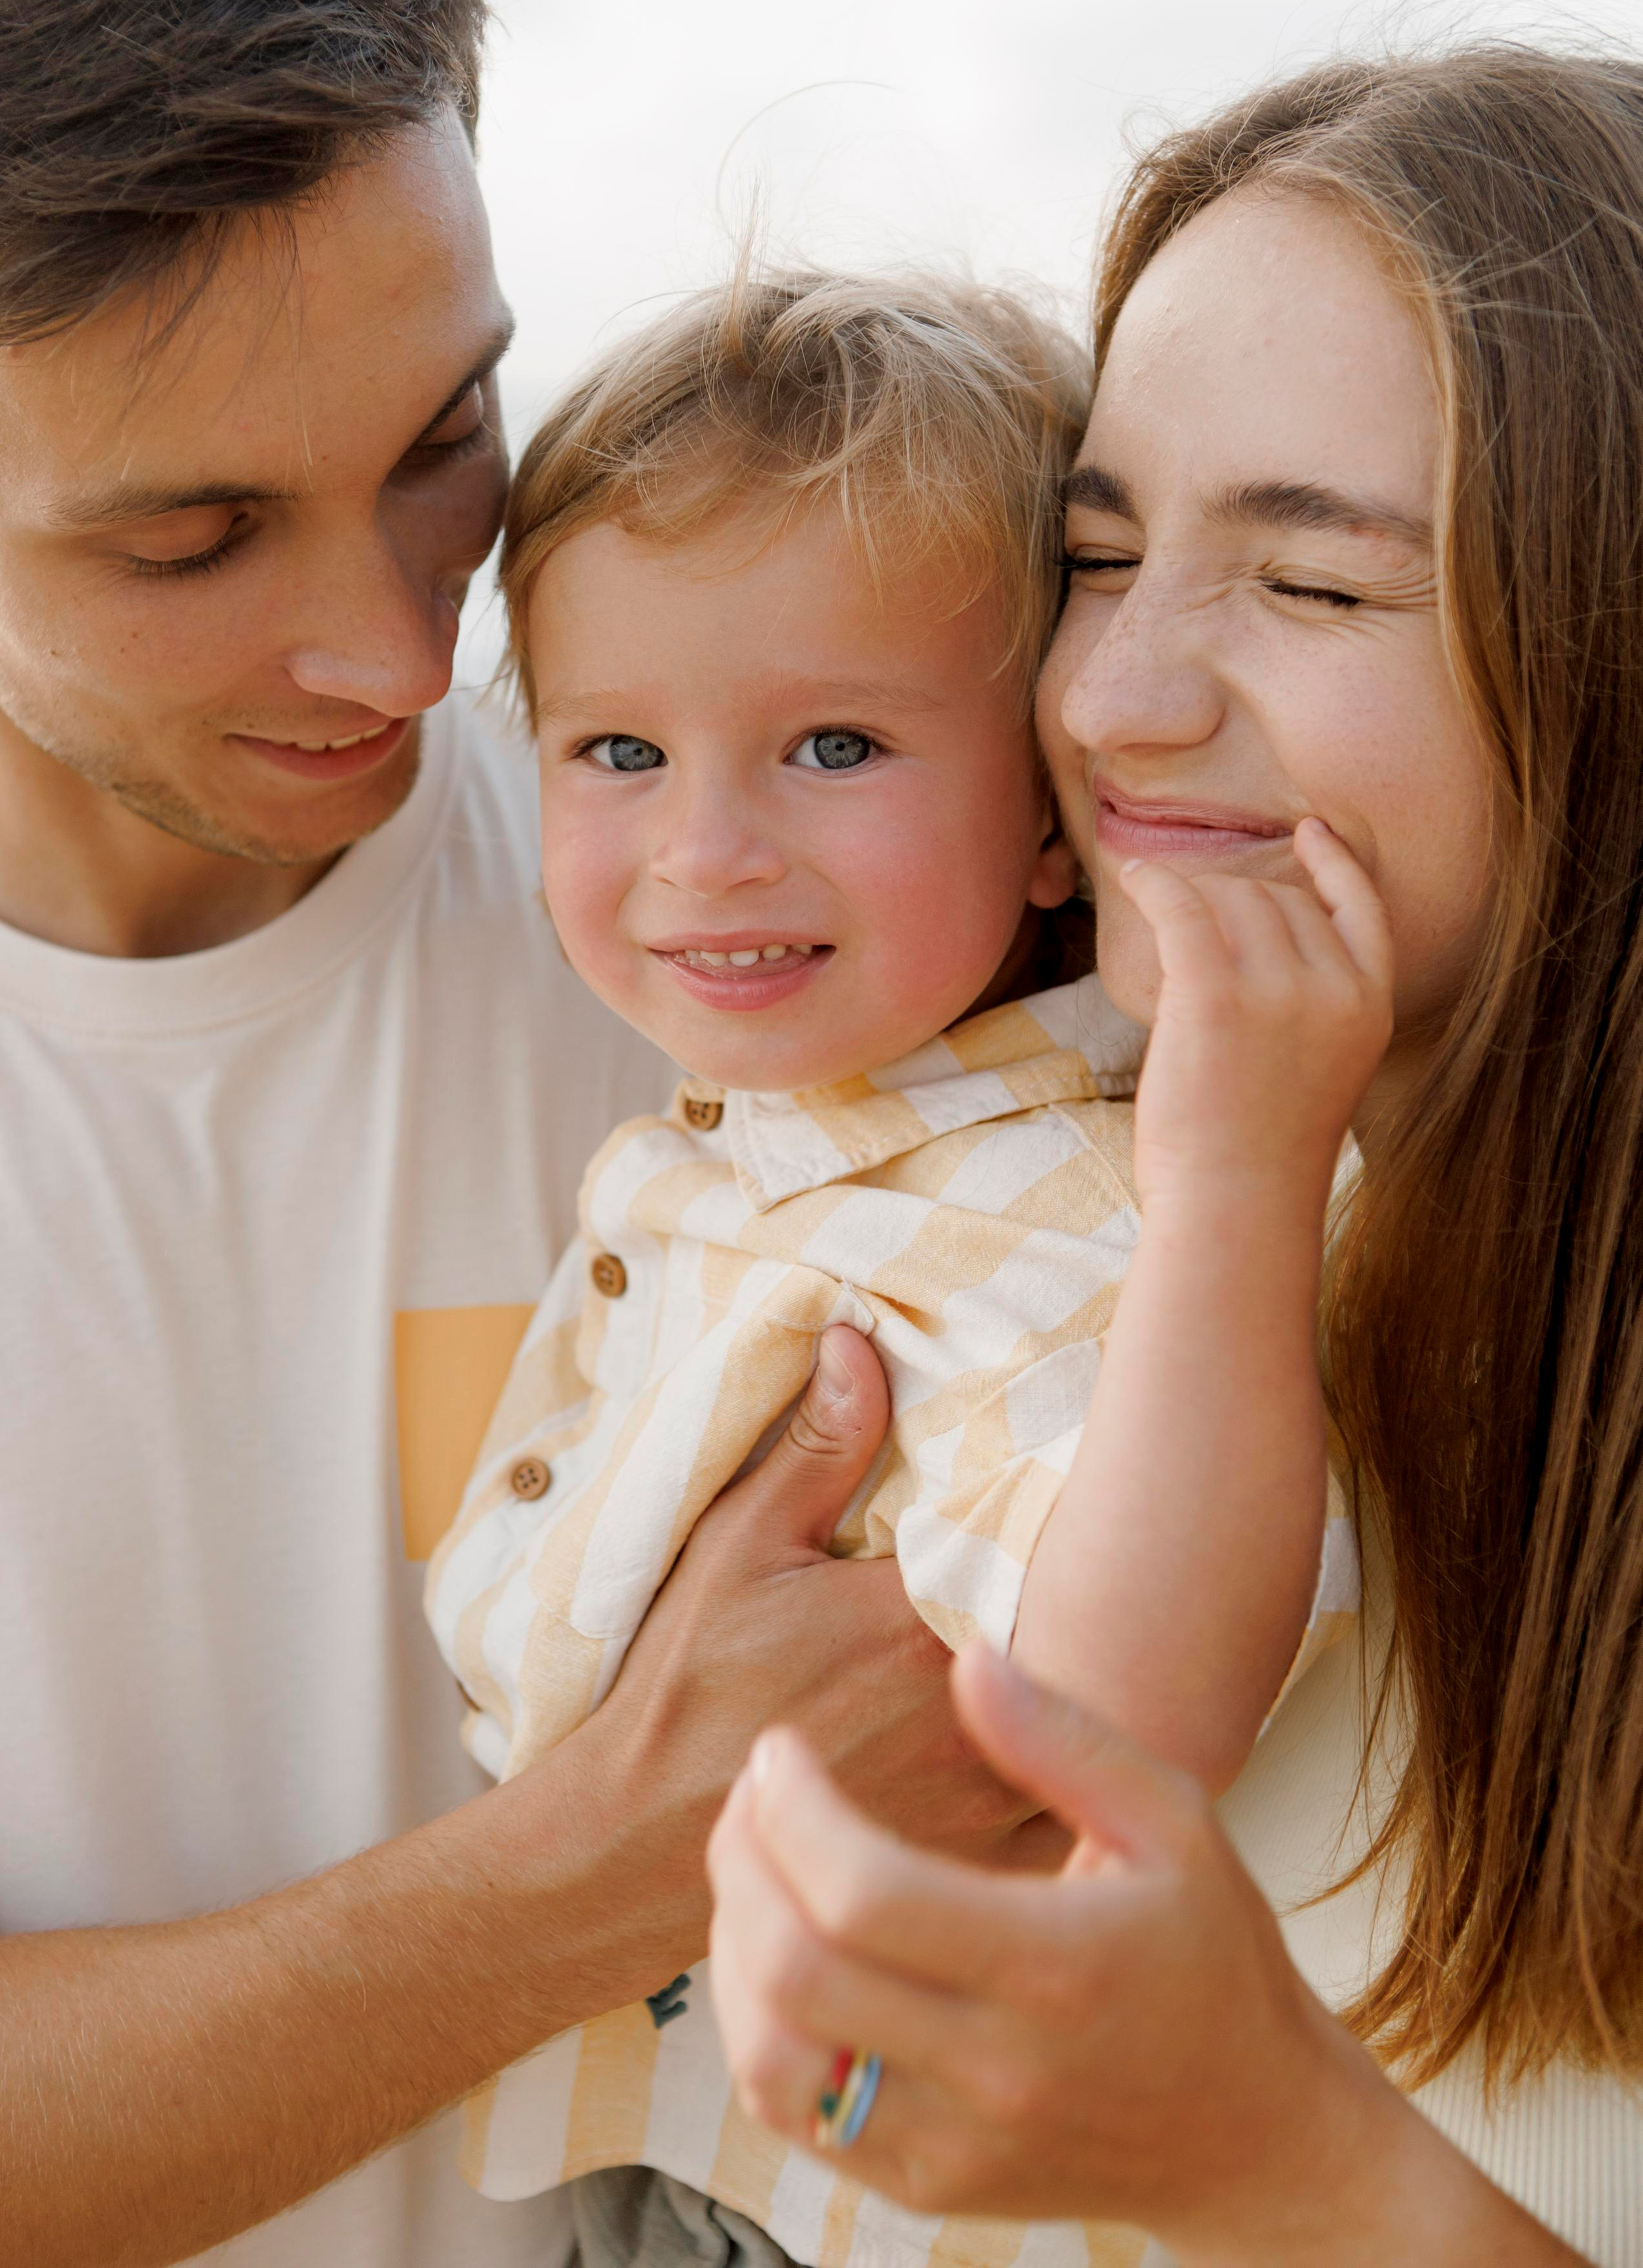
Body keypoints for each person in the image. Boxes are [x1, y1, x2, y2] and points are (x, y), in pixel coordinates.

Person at [0, 0, 1026, 2268]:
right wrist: (600, 1867)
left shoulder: (747, 885)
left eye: (443, 437)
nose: (400, 653)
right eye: (188, 544)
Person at [705, 46, 1643, 2265]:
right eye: (1100, 553)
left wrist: (1287, 2169)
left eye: (1317, 592)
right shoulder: (1009, 1240)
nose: (1116, 696)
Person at [423, 263, 1382, 2268]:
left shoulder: (1094, 1200)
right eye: (616, 751)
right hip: (675, 2123)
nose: (705, 851)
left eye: (835, 746)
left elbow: (1115, 1717)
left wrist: (1232, 1189)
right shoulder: (771, 1135)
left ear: (1053, 819)